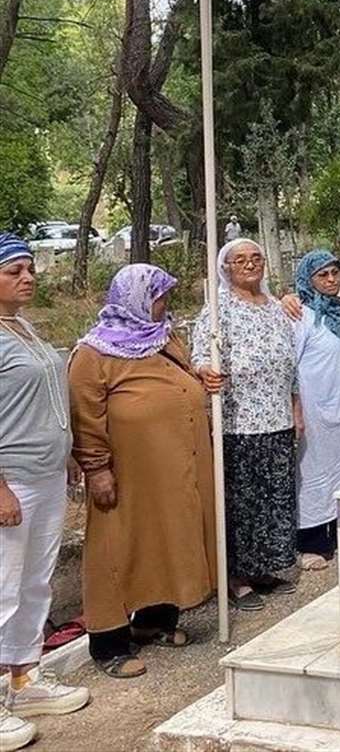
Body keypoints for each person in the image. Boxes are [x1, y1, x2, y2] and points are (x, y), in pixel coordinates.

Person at [68, 264, 217, 679]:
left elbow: (184, 379)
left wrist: (199, 378)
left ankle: (154, 619)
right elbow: (85, 417)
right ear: (132, 300)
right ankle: (109, 641)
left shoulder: (165, 339)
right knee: (119, 546)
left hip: (174, 465)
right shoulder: (93, 354)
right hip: (129, 473)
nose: (164, 304)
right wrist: (97, 469)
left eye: (166, 295)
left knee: (166, 536)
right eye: (156, 297)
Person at [0, 235, 91, 747]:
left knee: (35, 581)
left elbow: (48, 399)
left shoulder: (24, 328)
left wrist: (70, 451)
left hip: (47, 474)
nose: (28, 277)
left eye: (30, 269)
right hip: (12, 479)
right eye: (14, 271)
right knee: (3, 587)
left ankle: (24, 676)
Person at [192, 238, 301, 612]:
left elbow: (292, 364)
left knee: (274, 498)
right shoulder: (219, 309)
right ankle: (236, 576)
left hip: (277, 417)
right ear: (226, 269)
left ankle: (264, 568)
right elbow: (200, 355)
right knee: (243, 501)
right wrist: (206, 371)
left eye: (256, 258)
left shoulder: (275, 307)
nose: (251, 265)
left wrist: (295, 408)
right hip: (240, 421)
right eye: (241, 260)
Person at [291, 251, 340, 570]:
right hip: (317, 410)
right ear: (308, 280)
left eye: (335, 272)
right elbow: (289, 364)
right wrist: (295, 408)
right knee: (316, 471)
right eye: (322, 275)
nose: (332, 279)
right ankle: (311, 539)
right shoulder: (301, 316)